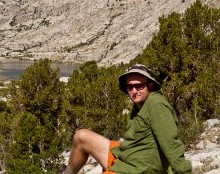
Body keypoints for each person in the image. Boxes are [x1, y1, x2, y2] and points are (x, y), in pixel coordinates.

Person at [62, 64, 192, 174]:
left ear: (150, 86)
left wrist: (183, 171)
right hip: (127, 157)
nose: (134, 91)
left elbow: (171, 143)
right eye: (130, 87)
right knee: (81, 136)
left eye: (139, 86)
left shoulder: (156, 105)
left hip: (137, 169)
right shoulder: (139, 106)